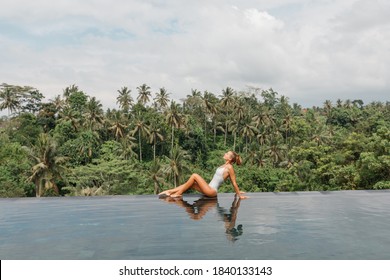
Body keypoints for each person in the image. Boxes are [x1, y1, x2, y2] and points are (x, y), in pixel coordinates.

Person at [158, 151, 248, 199]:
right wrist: (239, 192)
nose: (225, 154)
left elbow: (234, 182)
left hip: (212, 191)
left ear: (230, 158)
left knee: (194, 175)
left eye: (227, 154)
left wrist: (239, 195)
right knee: (191, 184)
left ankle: (178, 193)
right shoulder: (223, 165)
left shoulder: (229, 168)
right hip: (208, 188)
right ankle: (169, 191)